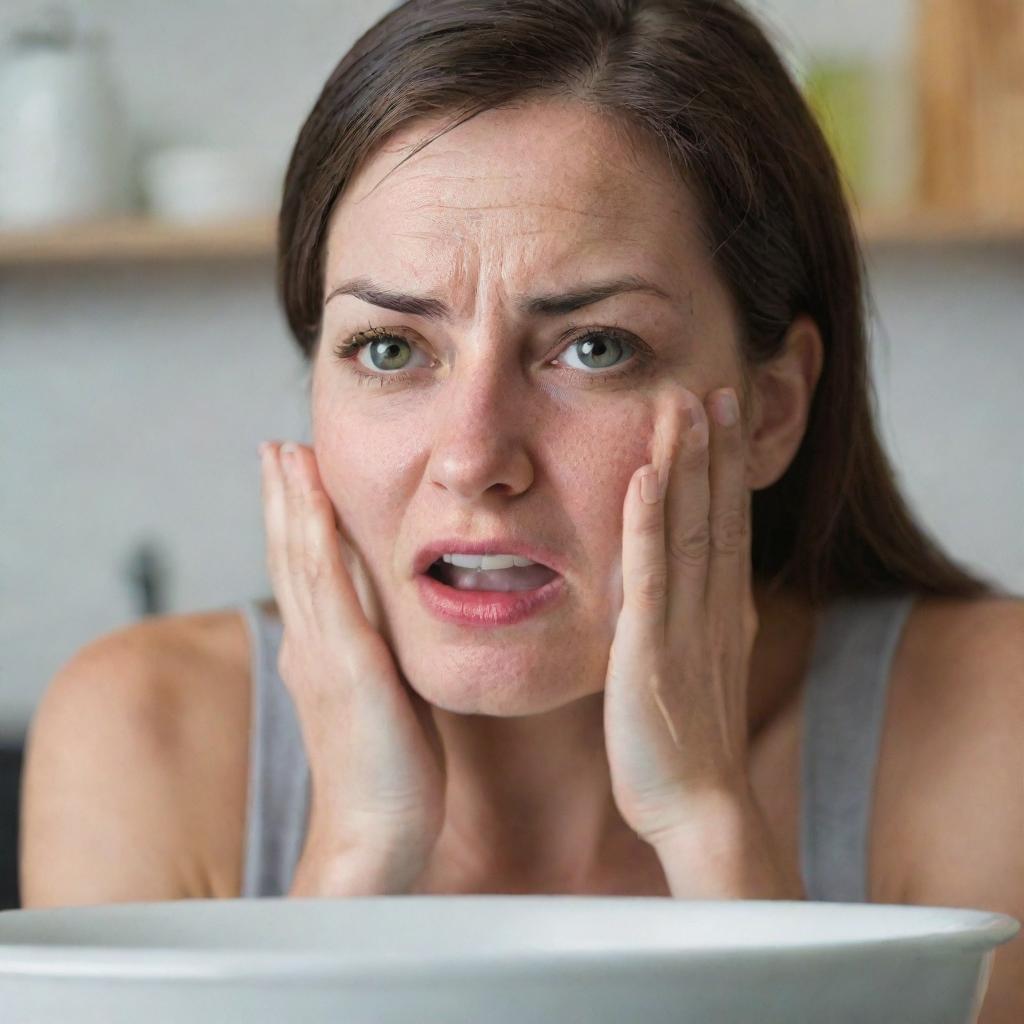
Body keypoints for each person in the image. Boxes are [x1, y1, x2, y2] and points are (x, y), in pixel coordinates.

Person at [19, 0, 1023, 1016]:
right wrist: (355, 853)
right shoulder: (146, 740)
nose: (472, 459)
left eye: (594, 347)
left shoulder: (983, 725)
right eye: (390, 348)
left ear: (771, 407)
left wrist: (711, 825)